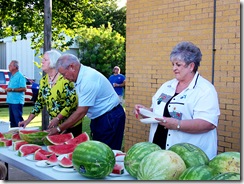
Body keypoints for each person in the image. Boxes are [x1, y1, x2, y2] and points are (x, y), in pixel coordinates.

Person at [134, 41, 220, 160]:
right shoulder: (167, 86)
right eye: (173, 64)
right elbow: (157, 111)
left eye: (178, 65)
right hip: (160, 153)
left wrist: (177, 125)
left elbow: (208, 123)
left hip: (189, 158)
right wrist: (145, 111)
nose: (174, 68)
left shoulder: (205, 90)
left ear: (191, 66)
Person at [48, 54, 126, 150]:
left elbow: (81, 111)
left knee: (107, 154)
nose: (64, 78)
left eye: (64, 74)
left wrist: (59, 129)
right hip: (100, 117)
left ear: (72, 67)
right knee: (98, 152)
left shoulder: (88, 79)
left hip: (110, 117)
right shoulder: (80, 77)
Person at [19, 50, 83, 137]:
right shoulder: (43, 81)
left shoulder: (65, 78)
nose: (42, 61)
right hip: (55, 125)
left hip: (71, 124)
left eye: (45, 60)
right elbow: (39, 103)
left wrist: (58, 118)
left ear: (53, 61)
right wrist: (28, 120)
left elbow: (72, 103)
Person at [5, 60, 26, 127]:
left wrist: (12, 89)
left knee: (18, 120)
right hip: (11, 101)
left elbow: (24, 88)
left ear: (15, 67)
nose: (9, 66)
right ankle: (14, 135)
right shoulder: (12, 76)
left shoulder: (20, 76)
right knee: (12, 121)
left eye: (10, 65)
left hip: (17, 102)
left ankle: (22, 134)